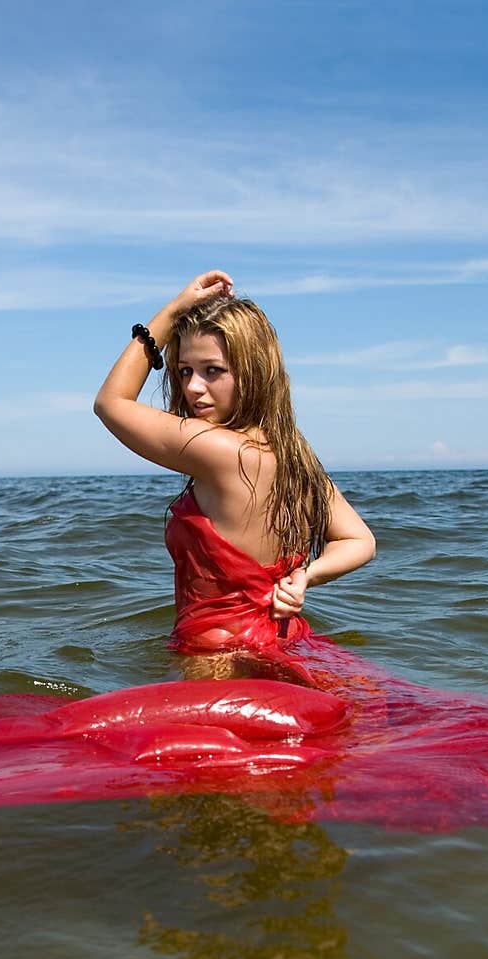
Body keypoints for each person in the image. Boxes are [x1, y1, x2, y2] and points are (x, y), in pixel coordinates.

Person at [94, 270, 376, 671]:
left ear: (254, 372)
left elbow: (110, 402)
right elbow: (360, 540)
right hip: (286, 645)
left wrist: (173, 311)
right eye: (185, 370)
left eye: (213, 371)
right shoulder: (294, 454)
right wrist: (304, 578)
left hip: (216, 660)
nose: (192, 388)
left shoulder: (217, 449)